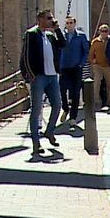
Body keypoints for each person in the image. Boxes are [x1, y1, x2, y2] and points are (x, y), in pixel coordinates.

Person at [20, 9, 66, 156]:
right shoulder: (31, 34)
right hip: (39, 76)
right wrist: (30, 75)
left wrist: (57, 29)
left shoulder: (50, 36)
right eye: (48, 18)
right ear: (40, 19)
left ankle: (49, 131)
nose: (51, 20)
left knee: (57, 105)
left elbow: (63, 44)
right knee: (36, 109)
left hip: (52, 76)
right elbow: (25, 55)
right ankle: (36, 143)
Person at [58, 16, 90, 123]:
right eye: (67, 23)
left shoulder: (81, 36)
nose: (69, 25)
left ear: (74, 24)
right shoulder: (62, 36)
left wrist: (81, 63)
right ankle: (65, 108)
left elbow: (85, 51)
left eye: (71, 23)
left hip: (76, 67)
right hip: (64, 66)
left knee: (75, 91)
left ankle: (73, 117)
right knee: (62, 89)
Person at [88, 24, 110, 112]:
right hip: (98, 65)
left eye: (106, 31)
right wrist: (92, 61)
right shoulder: (95, 41)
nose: (104, 33)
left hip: (108, 65)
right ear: (99, 32)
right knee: (97, 82)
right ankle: (96, 101)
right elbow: (91, 53)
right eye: (102, 31)